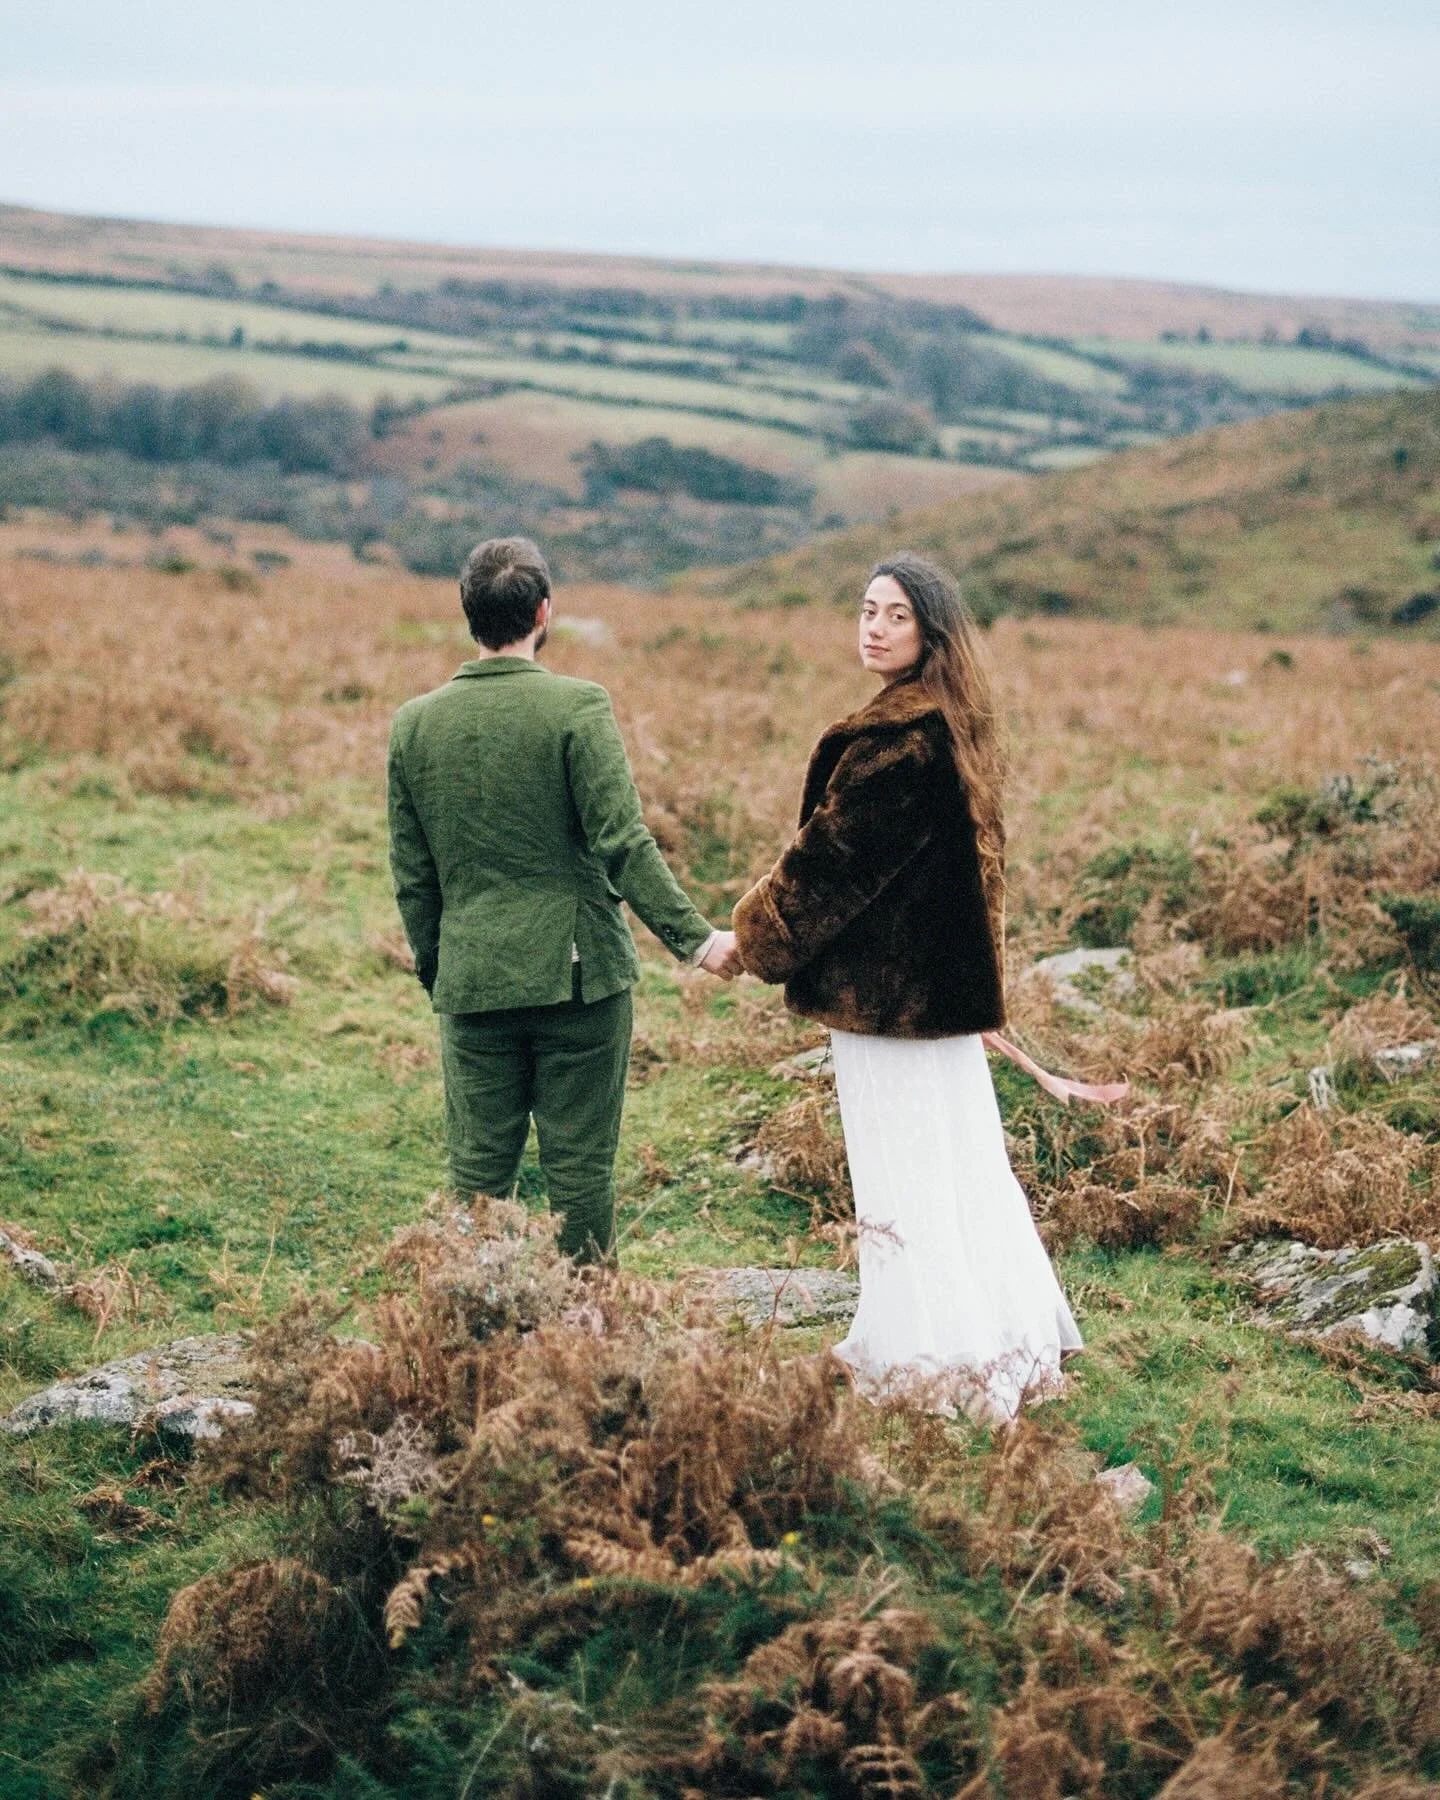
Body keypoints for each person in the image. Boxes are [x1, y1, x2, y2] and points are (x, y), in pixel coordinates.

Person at [732, 551, 1081, 1419]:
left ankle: (932, 1358)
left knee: (906, 1176)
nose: (874, 626)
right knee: (959, 1167)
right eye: (866, 610)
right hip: (939, 1001)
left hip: (889, 1004)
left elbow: (827, 869)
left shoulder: (899, 744)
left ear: (931, 630)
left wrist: (746, 940)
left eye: (895, 614)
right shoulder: (954, 726)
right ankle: (987, 1339)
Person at [387, 535, 740, 1262]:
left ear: (468, 614)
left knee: (478, 1181)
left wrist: (441, 970)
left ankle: (472, 1332)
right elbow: (624, 842)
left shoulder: (414, 724)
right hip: (579, 983)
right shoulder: (578, 706)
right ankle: (584, 1341)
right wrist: (699, 941)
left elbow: (413, 874)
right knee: (579, 1176)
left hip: (473, 981)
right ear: (544, 612)